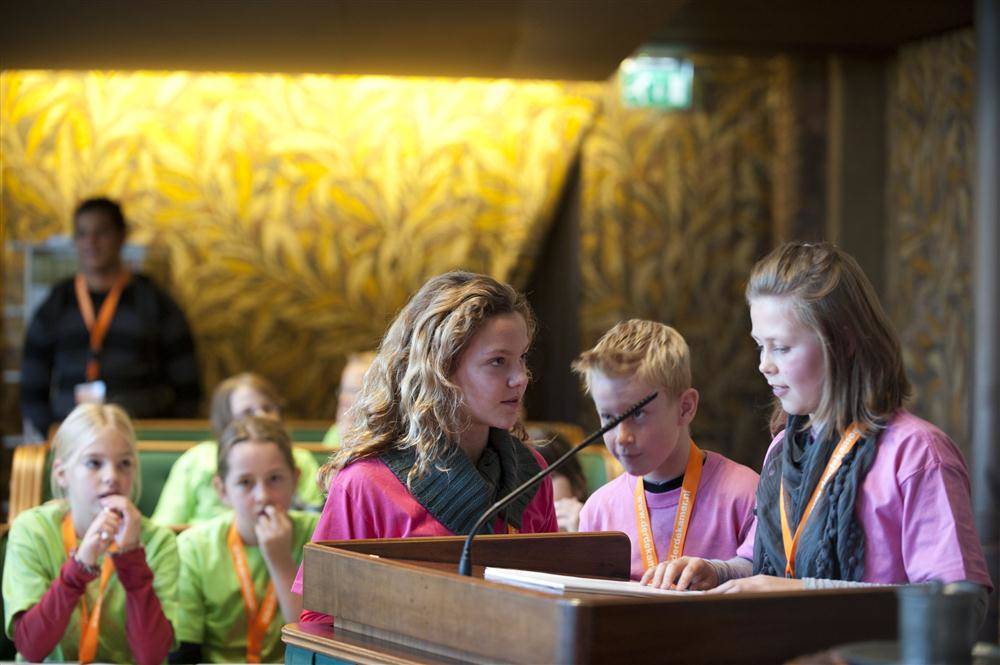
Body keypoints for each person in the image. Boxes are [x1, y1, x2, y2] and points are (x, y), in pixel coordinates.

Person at [647, 242, 992, 610]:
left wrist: (803, 591)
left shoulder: (917, 453)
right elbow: (760, 564)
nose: (764, 365)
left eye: (780, 347)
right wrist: (716, 571)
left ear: (842, 343)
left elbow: (959, 604)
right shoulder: (783, 448)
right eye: (759, 346)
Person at [293, 271, 558, 623]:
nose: (521, 377)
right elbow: (320, 621)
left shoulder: (530, 469)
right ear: (441, 370)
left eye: (522, 358)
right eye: (498, 361)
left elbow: (553, 599)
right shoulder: (365, 482)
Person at [572, 319, 759, 581]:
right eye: (608, 418)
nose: (622, 437)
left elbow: (769, 578)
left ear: (685, 408)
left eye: (637, 414)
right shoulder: (598, 511)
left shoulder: (745, 495)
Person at [2, 403, 177, 663]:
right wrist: (80, 566)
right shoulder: (32, 530)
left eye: (125, 464)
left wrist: (131, 559)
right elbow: (31, 648)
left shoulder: (159, 542)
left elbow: (151, 656)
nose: (112, 477)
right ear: (62, 474)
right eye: (94, 463)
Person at [20, 197, 201, 439]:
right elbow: (32, 377)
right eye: (82, 234)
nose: (91, 242)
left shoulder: (152, 300)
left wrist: (167, 435)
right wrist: (51, 431)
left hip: (141, 437)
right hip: (73, 436)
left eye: (101, 232)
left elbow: (187, 379)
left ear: (121, 236)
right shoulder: (58, 302)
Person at [172, 417, 320, 663]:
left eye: (274, 479)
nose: (262, 496)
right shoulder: (195, 547)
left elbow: (316, 645)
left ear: (294, 480)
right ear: (222, 490)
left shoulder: (317, 535)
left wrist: (281, 561)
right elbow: (184, 652)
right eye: (245, 483)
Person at [152, 373, 322, 526]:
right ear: (226, 420)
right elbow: (167, 524)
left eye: (268, 408)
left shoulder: (301, 458)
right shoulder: (196, 459)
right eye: (248, 412)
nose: (262, 416)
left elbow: (313, 518)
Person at [531, 427, 589, 532]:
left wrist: (582, 532)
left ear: (578, 484)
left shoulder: (590, 522)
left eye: (548, 479)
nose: (535, 492)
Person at [321, 351, 376, 448]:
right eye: (343, 390)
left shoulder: (385, 441)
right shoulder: (335, 432)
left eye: (354, 391)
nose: (343, 399)